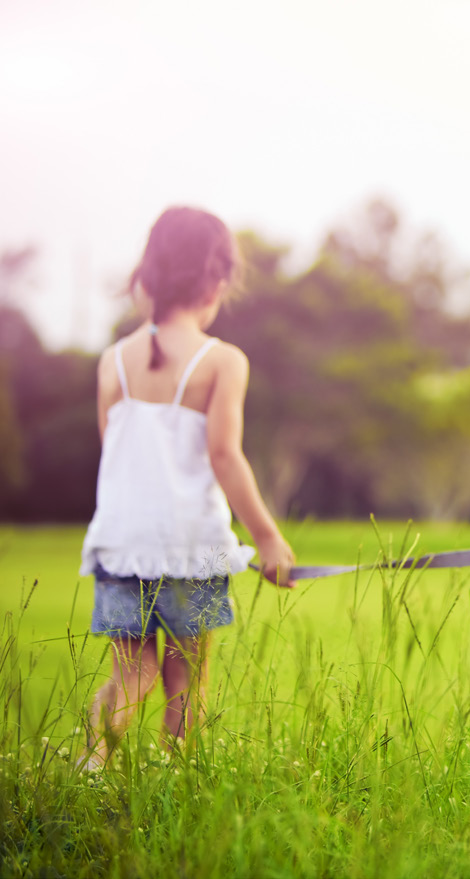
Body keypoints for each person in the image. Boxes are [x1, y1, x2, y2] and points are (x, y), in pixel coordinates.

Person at [80, 206, 297, 766]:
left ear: (145, 279)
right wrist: (267, 539)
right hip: (190, 549)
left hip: (122, 545)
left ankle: (90, 767)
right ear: (217, 283)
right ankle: (180, 784)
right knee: (187, 680)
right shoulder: (222, 360)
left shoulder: (113, 362)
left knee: (131, 674)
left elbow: (115, 454)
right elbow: (225, 456)